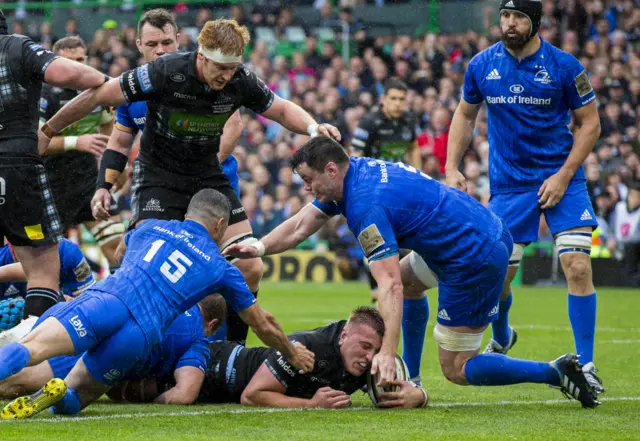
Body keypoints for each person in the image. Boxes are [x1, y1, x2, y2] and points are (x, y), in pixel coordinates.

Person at [225, 137, 600, 409]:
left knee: (456, 367)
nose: (306, 188)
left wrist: (387, 354)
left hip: (472, 256)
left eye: (309, 180)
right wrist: (258, 246)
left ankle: (554, 372)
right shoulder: (356, 171)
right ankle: (415, 378)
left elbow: (386, 286)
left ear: (330, 169)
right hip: (475, 233)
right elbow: (300, 225)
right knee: (409, 278)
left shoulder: (366, 204)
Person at [38, 18, 341, 347]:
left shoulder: (239, 81)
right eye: (219, 68)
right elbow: (99, 96)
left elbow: (280, 109)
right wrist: (48, 131)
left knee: (250, 266)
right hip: (160, 177)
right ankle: (111, 333)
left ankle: (230, 351)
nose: (225, 76)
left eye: (232, 67)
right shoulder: (164, 72)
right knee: (134, 259)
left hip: (207, 176)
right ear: (202, 56)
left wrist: (313, 128)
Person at [0, 189, 314, 419]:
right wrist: (292, 352)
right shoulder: (221, 268)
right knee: (78, 394)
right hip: (139, 335)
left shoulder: (150, 227)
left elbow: (121, 253)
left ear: (189, 214)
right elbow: (262, 322)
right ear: (220, 224)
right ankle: (57, 396)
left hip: (108, 301)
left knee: (31, 348)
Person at [444, 0, 603, 393]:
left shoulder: (565, 66)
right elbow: (465, 115)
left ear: (535, 23)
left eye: (518, 17)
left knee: (578, 266)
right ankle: (503, 335)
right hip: (509, 186)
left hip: (562, 181)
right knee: (499, 280)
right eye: (505, 16)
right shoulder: (482, 65)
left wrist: (564, 175)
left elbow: (590, 124)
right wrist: (451, 166)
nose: (510, 23)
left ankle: (586, 365)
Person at [108, 9, 245, 341]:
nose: (160, 50)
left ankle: (231, 347)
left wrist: (198, 169)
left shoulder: (204, 75)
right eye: (152, 44)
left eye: (167, 42)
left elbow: (234, 125)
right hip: (165, 187)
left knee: (240, 265)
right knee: (129, 256)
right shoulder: (137, 88)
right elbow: (121, 141)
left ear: (179, 40)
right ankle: (144, 342)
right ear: (139, 45)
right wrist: (109, 185)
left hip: (211, 188)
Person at [0, 9, 114, 346]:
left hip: (76, 183)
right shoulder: (16, 48)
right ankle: (25, 350)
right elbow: (74, 75)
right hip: (19, 168)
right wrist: (98, 80)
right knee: (43, 270)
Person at [111, 307, 428, 409]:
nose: (368, 357)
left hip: (219, 385)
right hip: (217, 367)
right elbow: (252, 395)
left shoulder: (368, 363)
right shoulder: (307, 346)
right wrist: (311, 405)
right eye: (364, 346)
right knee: (123, 388)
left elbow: (400, 388)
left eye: (375, 349)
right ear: (344, 336)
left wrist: (418, 395)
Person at [0, 293, 227, 403]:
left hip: (82, 311)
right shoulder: (198, 337)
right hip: (99, 345)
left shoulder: (165, 296)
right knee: (11, 384)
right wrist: (149, 401)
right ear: (212, 324)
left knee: (23, 353)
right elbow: (184, 394)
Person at [38, 36, 125, 275]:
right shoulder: (44, 92)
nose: (76, 67)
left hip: (88, 180)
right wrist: (78, 141)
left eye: (80, 60)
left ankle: (120, 304)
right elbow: (36, 143)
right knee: (46, 260)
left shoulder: (98, 90)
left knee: (118, 250)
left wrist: (117, 167)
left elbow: (111, 134)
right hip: (52, 182)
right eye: (69, 62)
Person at [350, 77, 421, 307]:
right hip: (372, 192)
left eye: (402, 99)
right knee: (372, 241)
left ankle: (395, 289)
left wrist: (415, 175)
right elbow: (355, 157)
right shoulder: (369, 123)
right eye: (393, 99)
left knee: (398, 243)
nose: (398, 104)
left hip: (397, 190)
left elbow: (413, 147)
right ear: (383, 100)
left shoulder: (409, 121)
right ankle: (376, 293)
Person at [0, 239, 95, 334]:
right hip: (13, 332)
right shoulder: (3, 258)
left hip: (67, 324)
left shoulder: (69, 252)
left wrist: (64, 303)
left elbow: (90, 305)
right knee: (10, 312)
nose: (32, 252)